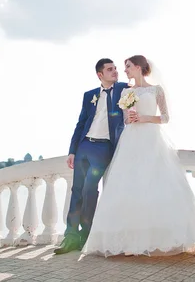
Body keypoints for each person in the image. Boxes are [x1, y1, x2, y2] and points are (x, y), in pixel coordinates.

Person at [82, 55, 195, 256]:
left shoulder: (156, 90)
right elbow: (125, 117)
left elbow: (166, 117)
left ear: (140, 67)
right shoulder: (126, 91)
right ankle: (129, 241)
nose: (125, 70)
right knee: (129, 185)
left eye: (128, 66)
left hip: (152, 139)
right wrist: (131, 117)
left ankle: (158, 240)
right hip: (131, 139)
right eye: (124, 67)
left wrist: (145, 118)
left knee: (157, 185)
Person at [54, 58, 130, 254]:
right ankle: (70, 236)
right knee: (77, 189)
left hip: (104, 148)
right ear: (100, 75)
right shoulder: (89, 95)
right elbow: (80, 124)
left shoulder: (123, 89)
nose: (115, 71)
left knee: (89, 189)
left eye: (115, 68)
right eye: (110, 69)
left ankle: (86, 235)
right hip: (84, 146)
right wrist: (72, 150)